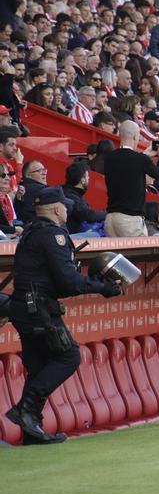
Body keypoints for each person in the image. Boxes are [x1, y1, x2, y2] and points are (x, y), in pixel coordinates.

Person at [4, 187, 121, 444]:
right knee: (68, 356)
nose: (67, 210)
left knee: (38, 368)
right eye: (65, 206)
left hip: (26, 307)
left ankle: (32, 429)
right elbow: (68, 281)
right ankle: (25, 410)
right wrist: (102, 287)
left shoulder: (32, 233)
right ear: (57, 209)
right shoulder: (52, 235)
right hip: (39, 311)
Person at [103, 121, 159, 238]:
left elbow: (127, 164)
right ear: (136, 136)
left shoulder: (109, 158)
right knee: (139, 256)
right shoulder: (140, 159)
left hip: (110, 219)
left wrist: (144, 155)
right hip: (130, 220)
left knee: (116, 256)